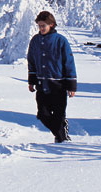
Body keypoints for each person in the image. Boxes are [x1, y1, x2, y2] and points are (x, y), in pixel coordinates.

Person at [27, 11, 77, 143]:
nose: (41, 28)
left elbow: (69, 62)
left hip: (58, 85)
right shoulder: (35, 41)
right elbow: (31, 61)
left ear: (51, 25)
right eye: (39, 26)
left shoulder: (61, 40)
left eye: (44, 25)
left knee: (59, 115)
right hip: (42, 85)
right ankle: (61, 133)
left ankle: (61, 138)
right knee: (42, 114)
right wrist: (31, 81)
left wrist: (71, 85)